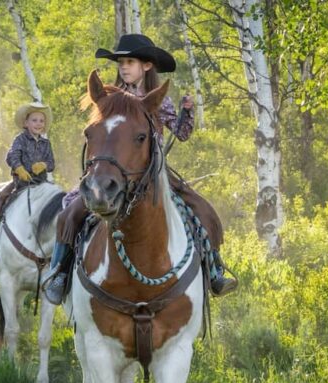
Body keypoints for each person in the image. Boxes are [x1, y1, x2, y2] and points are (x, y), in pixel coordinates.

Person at [42, 33, 238, 304]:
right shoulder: (111, 99)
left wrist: (187, 112)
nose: (124, 67)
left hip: (154, 174)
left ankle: (214, 270)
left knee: (205, 212)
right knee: (69, 214)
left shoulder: (159, 101)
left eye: (130, 62)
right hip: (113, 173)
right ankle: (59, 274)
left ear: (147, 65)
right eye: (121, 62)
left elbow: (180, 133)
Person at [0, 102, 56, 254]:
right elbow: (12, 155)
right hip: (20, 183)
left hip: (41, 184)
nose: (38, 123)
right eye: (34, 120)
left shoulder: (46, 143)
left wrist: (43, 165)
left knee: (60, 202)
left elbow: (52, 163)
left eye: (41, 120)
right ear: (26, 123)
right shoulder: (20, 139)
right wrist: (19, 168)